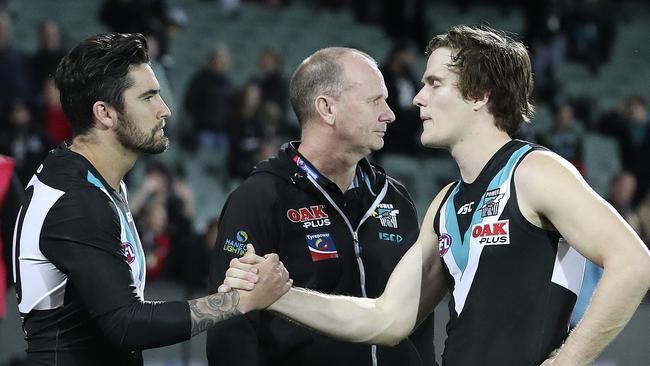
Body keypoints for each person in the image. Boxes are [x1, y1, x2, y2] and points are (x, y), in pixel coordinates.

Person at [222, 25, 650, 366]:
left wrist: (569, 360)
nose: (418, 98)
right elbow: (387, 319)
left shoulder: (535, 170)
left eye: (435, 83)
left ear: (480, 95)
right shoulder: (444, 205)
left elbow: (634, 263)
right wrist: (279, 293)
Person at [11, 32, 290, 366]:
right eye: (149, 97)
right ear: (105, 113)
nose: (166, 110)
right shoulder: (76, 200)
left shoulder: (97, 181)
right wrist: (237, 302)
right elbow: (127, 323)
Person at [207, 47, 436, 366]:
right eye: (374, 101)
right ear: (327, 108)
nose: (389, 114)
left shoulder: (393, 198)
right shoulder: (261, 196)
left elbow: (418, 316)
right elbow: (230, 325)